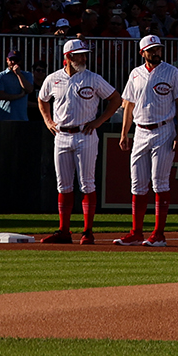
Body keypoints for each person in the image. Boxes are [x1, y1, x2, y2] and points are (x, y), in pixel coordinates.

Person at [36, 38, 119, 244]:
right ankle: (64, 231)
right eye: (79, 55)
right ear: (68, 57)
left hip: (85, 134)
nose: (83, 58)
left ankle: (87, 231)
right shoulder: (53, 78)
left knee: (87, 184)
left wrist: (99, 121)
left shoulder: (93, 78)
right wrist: (48, 120)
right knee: (63, 185)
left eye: (84, 54)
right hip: (62, 135)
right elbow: (42, 99)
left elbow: (116, 98)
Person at [116, 33, 178, 247]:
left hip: (164, 129)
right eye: (152, 49)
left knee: (159, 181)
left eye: (159, 49)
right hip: (140, 130)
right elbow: (128, 105)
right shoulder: (136, 73)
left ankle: (159, 233)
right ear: (142, 52)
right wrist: (124, 133)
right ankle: (136, 232)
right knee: (137, 183)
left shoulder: (172, 72)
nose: (156, 52)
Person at [0, 50, 32, 121]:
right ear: (7, 60)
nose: (13, 62)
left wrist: (19, 75)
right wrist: (19, 96)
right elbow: (1, 95)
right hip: (5, 118)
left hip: (22, 118)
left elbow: (29, 89)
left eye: (16, 60)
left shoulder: (27, 75)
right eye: (11, 60)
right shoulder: (1, 76)